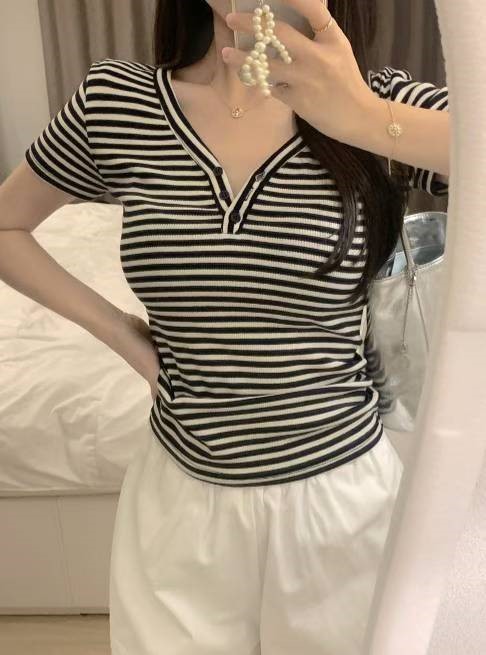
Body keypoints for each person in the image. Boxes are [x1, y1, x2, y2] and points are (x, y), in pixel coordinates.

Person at [0, 1, 449, 653]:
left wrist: (362, 118)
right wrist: (124, 335)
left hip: (344, 506)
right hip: (181, 505)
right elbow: (7, 225)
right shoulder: (117, 102)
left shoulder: (378, 101)